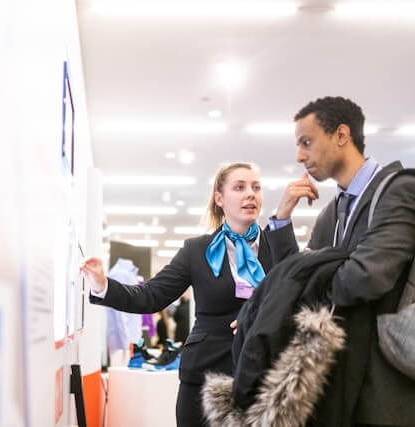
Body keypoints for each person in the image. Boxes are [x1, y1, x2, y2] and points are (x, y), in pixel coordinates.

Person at [81, 162, 276, 427]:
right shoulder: (197, 250)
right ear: (219, 198)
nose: (250, 194)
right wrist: (102, 284)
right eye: (239, 187)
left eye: (256, 187)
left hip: (261, 376)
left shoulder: (277, 248)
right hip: (204, 376)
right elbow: (151, 296)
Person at [266, 96, 415, 425]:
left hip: (387, 393)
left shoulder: (398, 191)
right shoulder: (330, 216)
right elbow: (295, 279)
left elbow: (365, 279)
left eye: (306, 142)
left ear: (341, 135)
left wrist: (305, 288)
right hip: (341, 389)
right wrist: (281, 219)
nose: (299, 156)